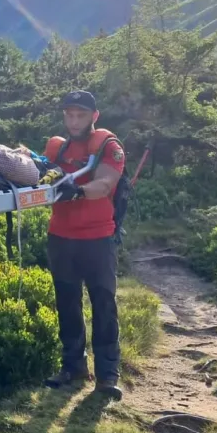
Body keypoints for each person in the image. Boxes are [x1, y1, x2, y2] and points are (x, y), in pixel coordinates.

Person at [42, 90, 125, 400]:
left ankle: (107, 376)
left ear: (94, 116)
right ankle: (73, 366)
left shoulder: (109, 147)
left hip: (98, 239)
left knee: (104, 304)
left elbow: (105, 184)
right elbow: (38, 175)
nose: (74, 120)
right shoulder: (56, 148)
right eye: (69, 114)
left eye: (80, 115)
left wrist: (75, 191)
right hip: (61, 237)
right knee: (67, 303)